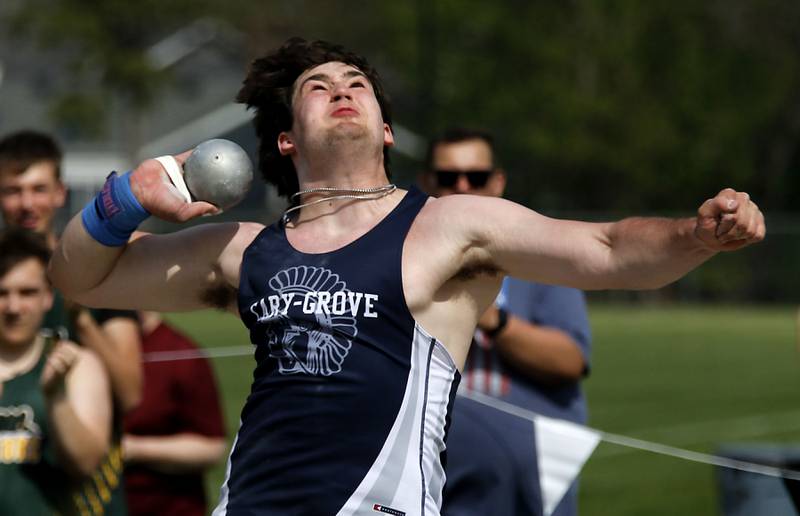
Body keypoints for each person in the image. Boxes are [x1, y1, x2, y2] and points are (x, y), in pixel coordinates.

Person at [49, 37, 765, 515]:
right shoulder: (243, 250)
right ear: (286, 137)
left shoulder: (451, 226)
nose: (344, 90)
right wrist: (125, 200)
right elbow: (81, 279)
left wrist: (696, 234)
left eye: (358, 84)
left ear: (387, 129)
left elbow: (609, 250)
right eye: (319, 86)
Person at [421, 128, 591, 515]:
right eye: (448, 179)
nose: (462, 187)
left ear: (497, 183)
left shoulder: (540, 257)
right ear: (427, 183)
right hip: (427, 469)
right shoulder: (401, 259)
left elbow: (569, 361)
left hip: (523, 481)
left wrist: (490, 319)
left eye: (476, 178)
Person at [0, 129, 142, 514]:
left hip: (89, 490)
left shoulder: (100, 273)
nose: (27, 203)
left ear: (60, 193)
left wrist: (81, 319)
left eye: (38, 189)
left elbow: (130, 393)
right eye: (13, 190)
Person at [0, 228, 113, 515]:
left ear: (48, 298)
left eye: (27, 292)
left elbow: (86, 462)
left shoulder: (76, 364)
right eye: (2, 293)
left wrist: (55, 396)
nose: (14, 307)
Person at [122, 310, 226, 516]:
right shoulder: (94, 344)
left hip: (168, 507)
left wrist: (132, 449)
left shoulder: (181, 352)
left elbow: (213, 446)